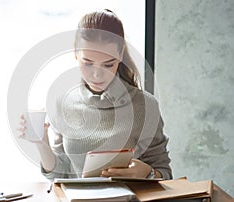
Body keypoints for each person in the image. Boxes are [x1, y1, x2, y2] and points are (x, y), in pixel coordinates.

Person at [19, 9, 172, 180]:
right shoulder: (63, 102)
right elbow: (61, 174)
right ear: (76, 54)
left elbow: (165, 174)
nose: (97, 75)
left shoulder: (145, 105)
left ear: (120, 54)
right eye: (88, 63)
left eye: (108, 64)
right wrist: (42, 143)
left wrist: (148, 173)